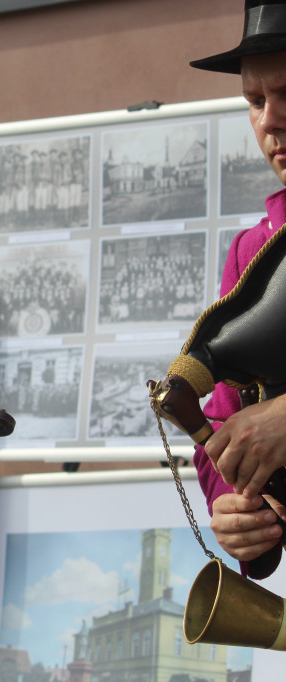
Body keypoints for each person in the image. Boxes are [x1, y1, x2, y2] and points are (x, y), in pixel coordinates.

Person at [188, 0, 286, 579]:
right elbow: (221, 425)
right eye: (255, 100)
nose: (270, 121)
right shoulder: (254, 250)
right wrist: (233, 512)